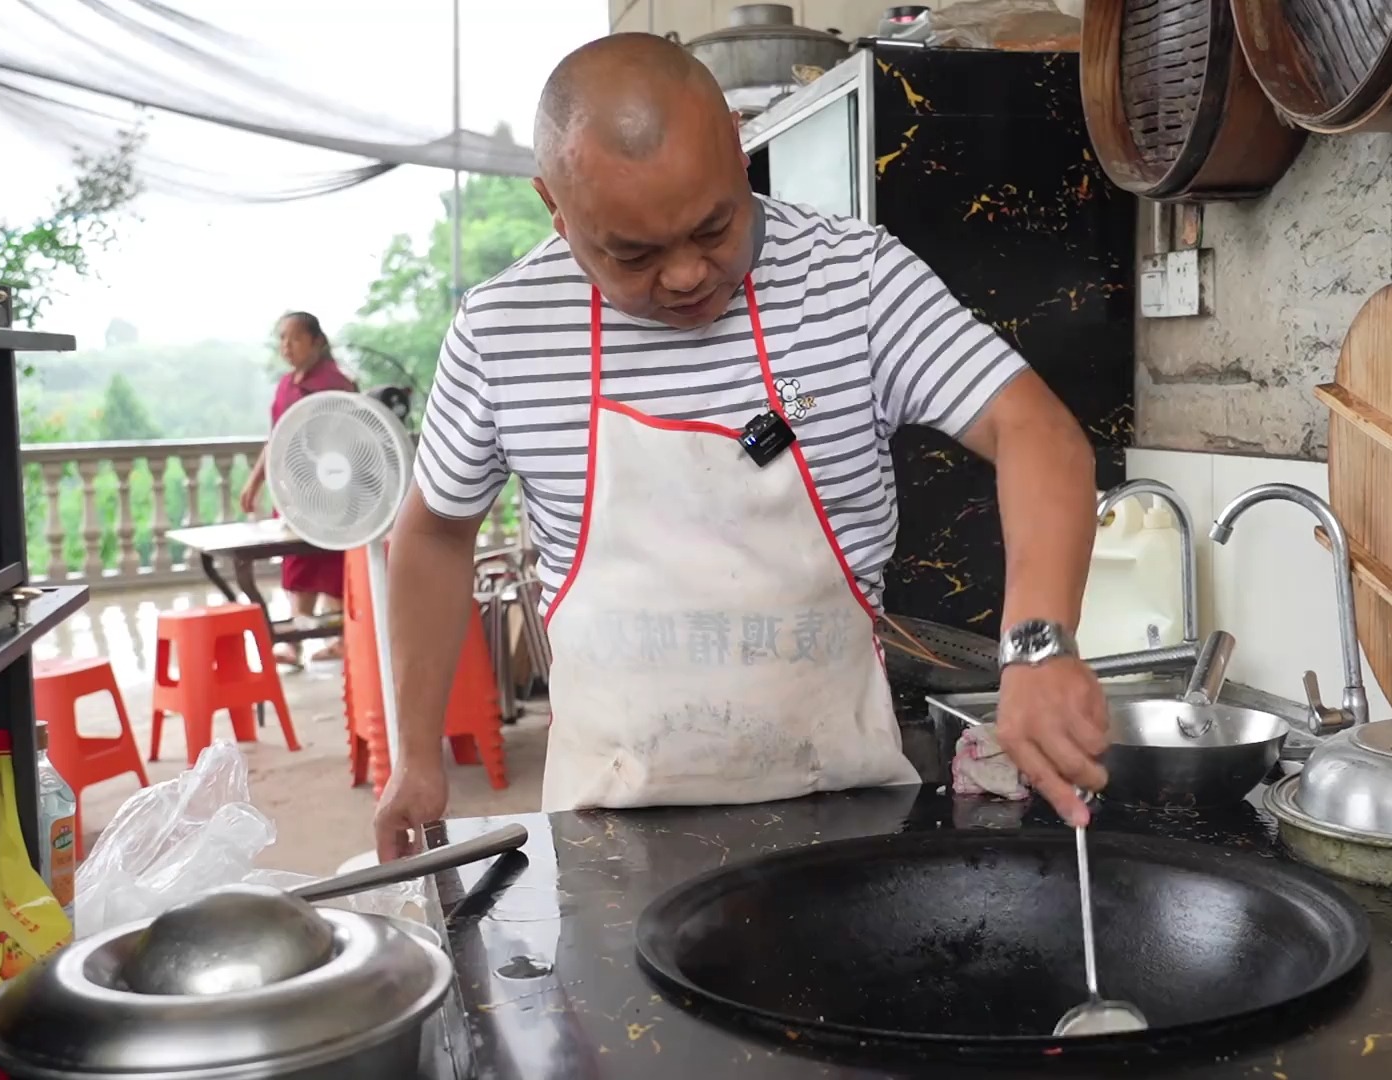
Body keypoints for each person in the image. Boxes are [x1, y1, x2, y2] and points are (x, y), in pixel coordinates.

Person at [373, 32, 1109, 859]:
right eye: (634, 254)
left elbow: (1036, 430)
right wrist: (415, 755)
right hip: (608, 831)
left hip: (845, 819)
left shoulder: (854, 281)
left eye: (713, 227)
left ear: (734, 137)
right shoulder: (502, 330)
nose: (687, 275)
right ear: (557, 207)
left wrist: (1037, 647)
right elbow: (434, 532)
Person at [242, 311, 354, 666]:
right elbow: (276, 439)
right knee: (297, 565)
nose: (286, 346)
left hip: (332, 491)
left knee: (332, 566)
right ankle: (293, 642)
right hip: (293, 491)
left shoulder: (335, 384)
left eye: (294, 338)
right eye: (281, 339)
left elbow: (353, 436)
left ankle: (340, 639)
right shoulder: (286, 386)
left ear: (316, 341)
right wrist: (255, 481)